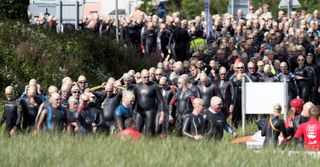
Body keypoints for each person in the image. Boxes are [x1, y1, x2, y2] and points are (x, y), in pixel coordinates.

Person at [133, 69, 165, 135]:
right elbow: (134, 101)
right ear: (141, 77)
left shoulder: (154, 86)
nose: (146, 78)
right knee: (136, 131)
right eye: (144, 77)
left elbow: (161, 101)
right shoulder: (137, 87)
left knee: (149, 133)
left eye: (148, 77)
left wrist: (162, 114)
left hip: (150, 112)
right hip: (139, 112)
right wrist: (133, 113)